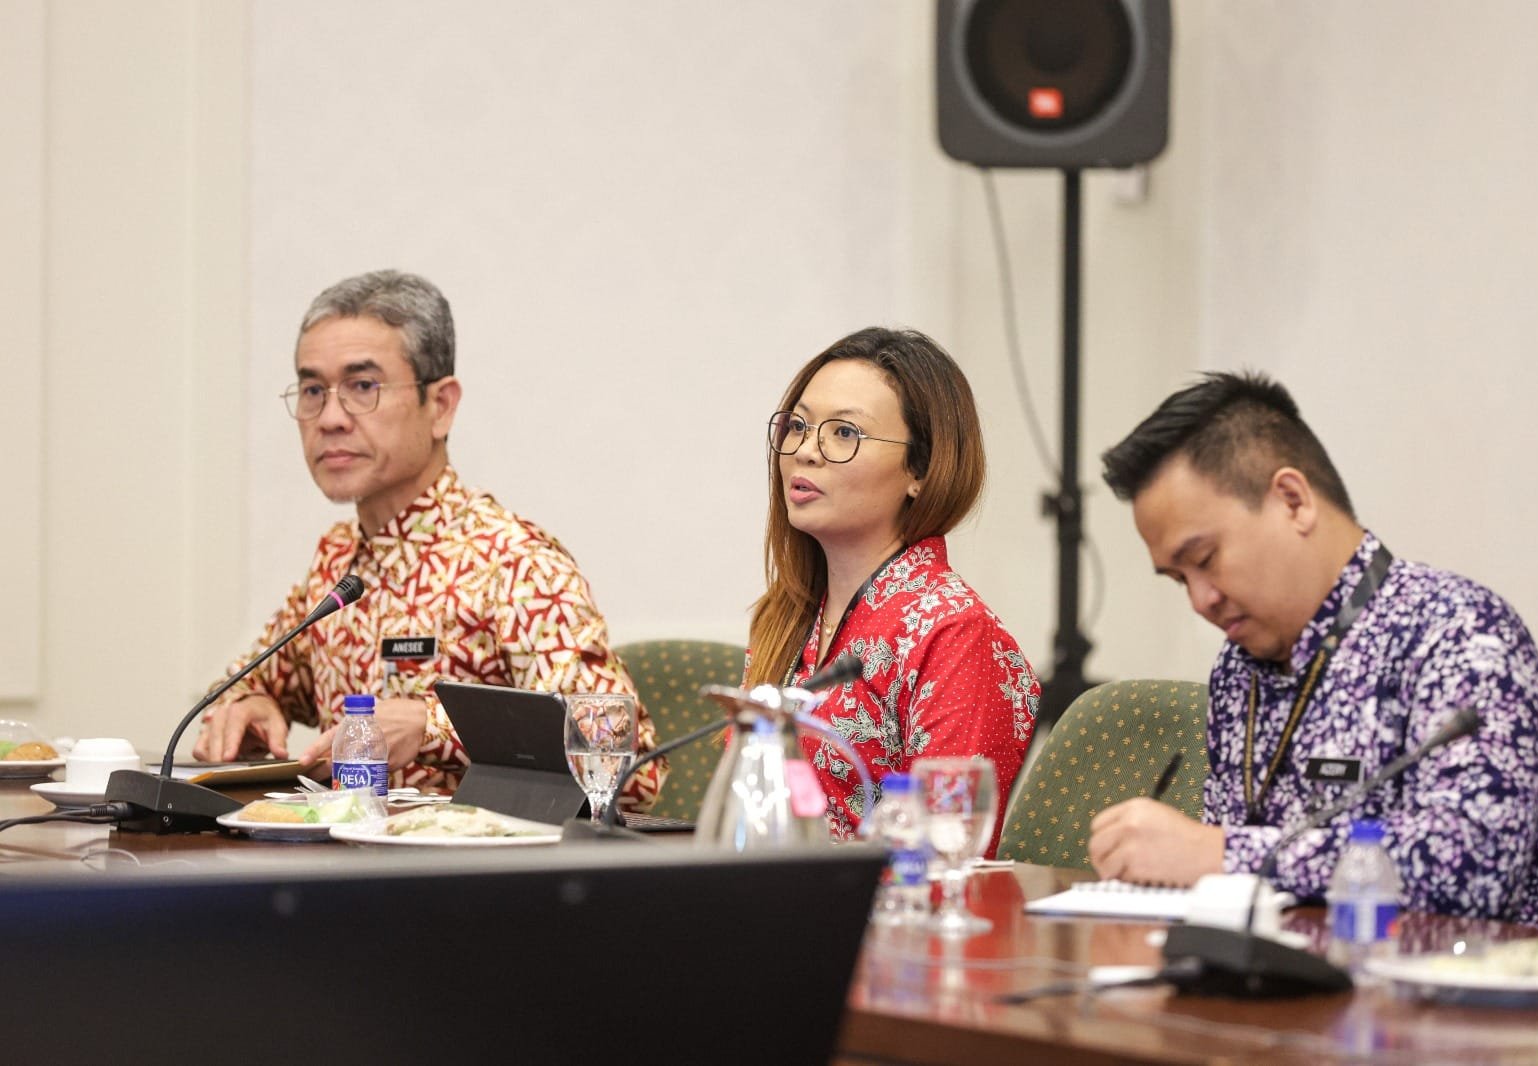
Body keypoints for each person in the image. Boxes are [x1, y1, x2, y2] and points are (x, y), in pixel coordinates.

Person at [1088, 370, 1538, 930]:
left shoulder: (1459, 632)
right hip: (1283, 974)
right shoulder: (1240, 666)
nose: (1201, 600)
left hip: (1475, 982)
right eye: (1180, 579)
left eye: (1204, 560)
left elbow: (1471, 870)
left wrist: (1219, 854)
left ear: (1293, 501)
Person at [195, 269, 661, 806]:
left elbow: (631, 768)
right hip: (337, 855)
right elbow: (242, 684)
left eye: (363, 387)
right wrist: (251, 704)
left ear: (440, 406)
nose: (330, 418)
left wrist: (434, 727)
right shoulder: (338, 561)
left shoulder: (515, 565)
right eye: (313, 390)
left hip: (474, 858)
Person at [745, 327, 1040, 847]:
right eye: (798, 426)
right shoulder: (786, 615)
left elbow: (943, 852)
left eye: (844, 433)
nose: (805, 451)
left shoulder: (957, 635)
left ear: (920, 471)